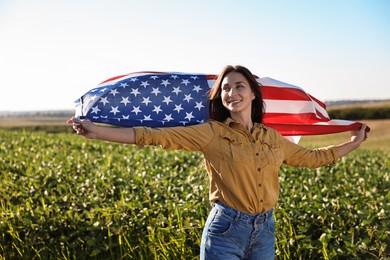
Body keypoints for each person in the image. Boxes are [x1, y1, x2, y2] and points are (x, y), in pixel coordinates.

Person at [67, 65, 368, 259]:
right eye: (225, 88)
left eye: (238, 86)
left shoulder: (273, 138)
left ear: (252, 93)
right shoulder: (211, 133)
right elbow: (153, 136)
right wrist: (97, 132)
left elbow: (315, 158)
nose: (231, 92)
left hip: (265, 232)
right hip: (226, 232)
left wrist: (351, 144)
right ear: (220, 97)